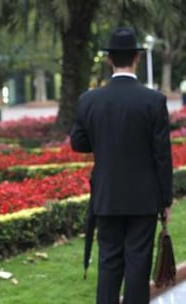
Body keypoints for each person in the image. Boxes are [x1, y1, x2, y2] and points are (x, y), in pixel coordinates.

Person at [70, 27, 173, 304]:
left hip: (107, 195)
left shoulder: (89, 100)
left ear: (108, 59)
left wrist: (105, 143)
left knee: (109, 263)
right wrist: (166, 200)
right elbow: (162, 155)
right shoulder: (154, 101)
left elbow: (78, 143)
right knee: (138, 268)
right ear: (137, 58)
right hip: (144, 198)